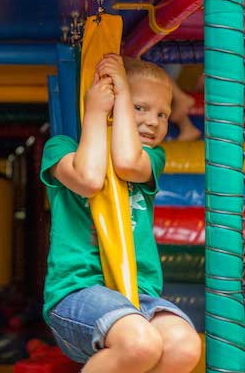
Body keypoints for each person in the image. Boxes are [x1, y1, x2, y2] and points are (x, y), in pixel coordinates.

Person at [40, 55, 201, 373]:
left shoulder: (151, 159)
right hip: (78, 292)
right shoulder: (61, 149)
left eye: (163, 114)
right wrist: (97, 113)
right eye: (140, 108)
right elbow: (88, 180)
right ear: (108, 100)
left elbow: (126, 161)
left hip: (137, 295)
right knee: (140, 343)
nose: (154, 121)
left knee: (184, 346)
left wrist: (124, 96)